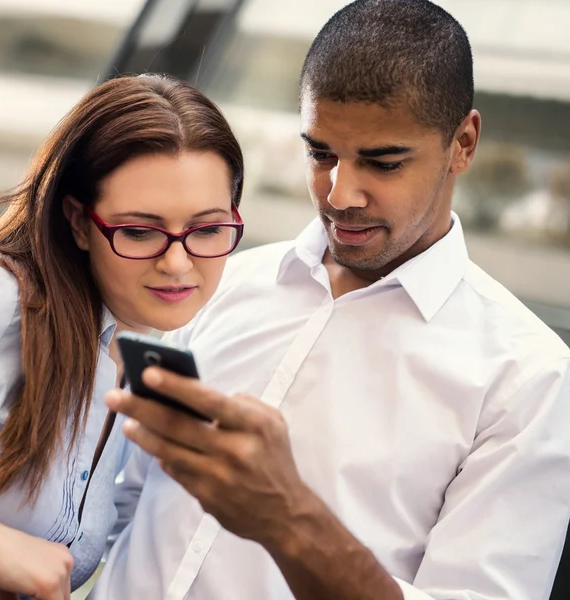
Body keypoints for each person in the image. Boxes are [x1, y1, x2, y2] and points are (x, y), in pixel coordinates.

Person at [92, 1, 570, 599]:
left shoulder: (527, 378)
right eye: (321, 153)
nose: (341, 193)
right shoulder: (229, 283)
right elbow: (126, 499)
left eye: (384, 161)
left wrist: (290, 519)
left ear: (463, 144)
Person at [0, 74, 244, 600]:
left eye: (207, 230)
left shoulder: (146, 361)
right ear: (77, 221)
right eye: (140, 232)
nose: (178, 263)